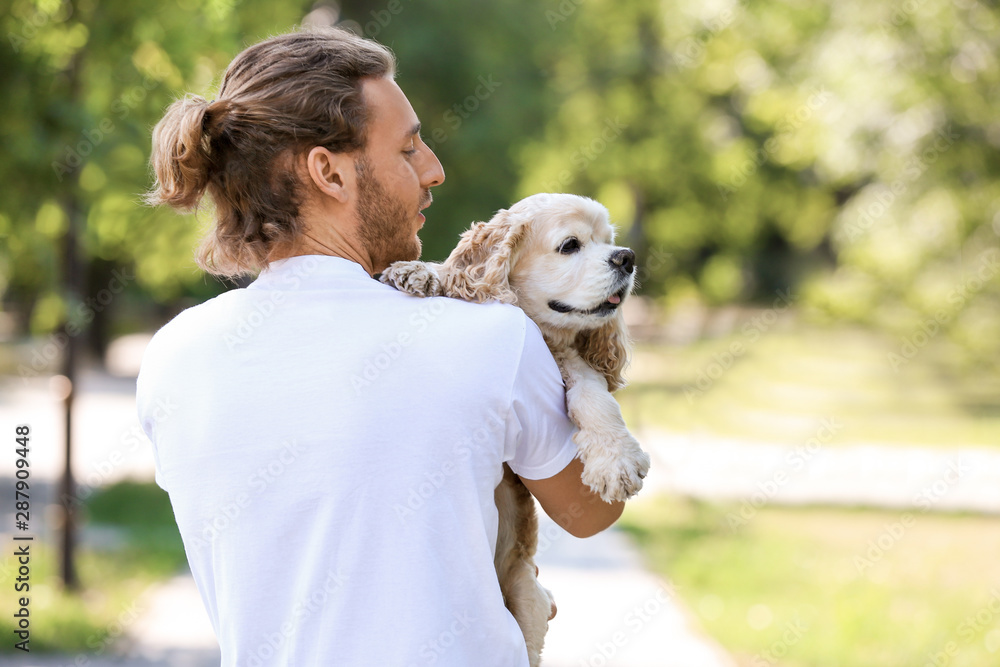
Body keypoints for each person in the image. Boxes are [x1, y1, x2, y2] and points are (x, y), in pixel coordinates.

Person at [137, 26, 623, 666]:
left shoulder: (173, 357)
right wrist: (570, 341)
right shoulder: (490, 340)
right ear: (328, 172)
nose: (435, 169)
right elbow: (593, 510)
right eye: (410, 148)